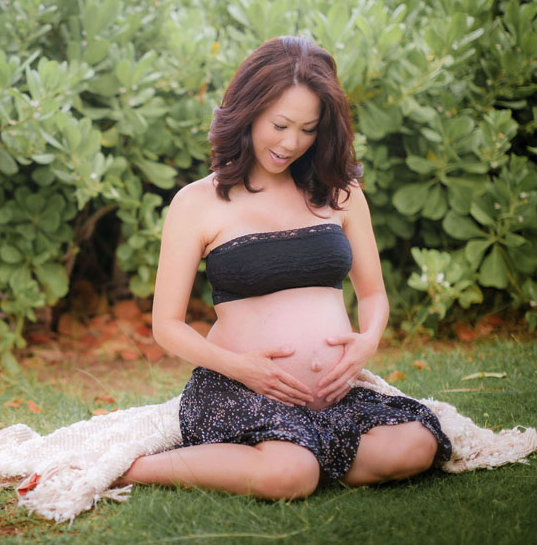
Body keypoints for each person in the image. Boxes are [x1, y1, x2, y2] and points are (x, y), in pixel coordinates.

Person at [117, 36, 452, 499]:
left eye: (309, 129)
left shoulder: (342, 194)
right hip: (238, 390)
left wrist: (366, 343)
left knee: (414, 446)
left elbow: (372, 294)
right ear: (248, 111)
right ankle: (134, 468)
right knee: (289, 476)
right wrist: (243, 368)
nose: (291, 143)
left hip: (330, 395)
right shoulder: (197, 202)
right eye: (280, 124)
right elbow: (167, 326)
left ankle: (306, 453)